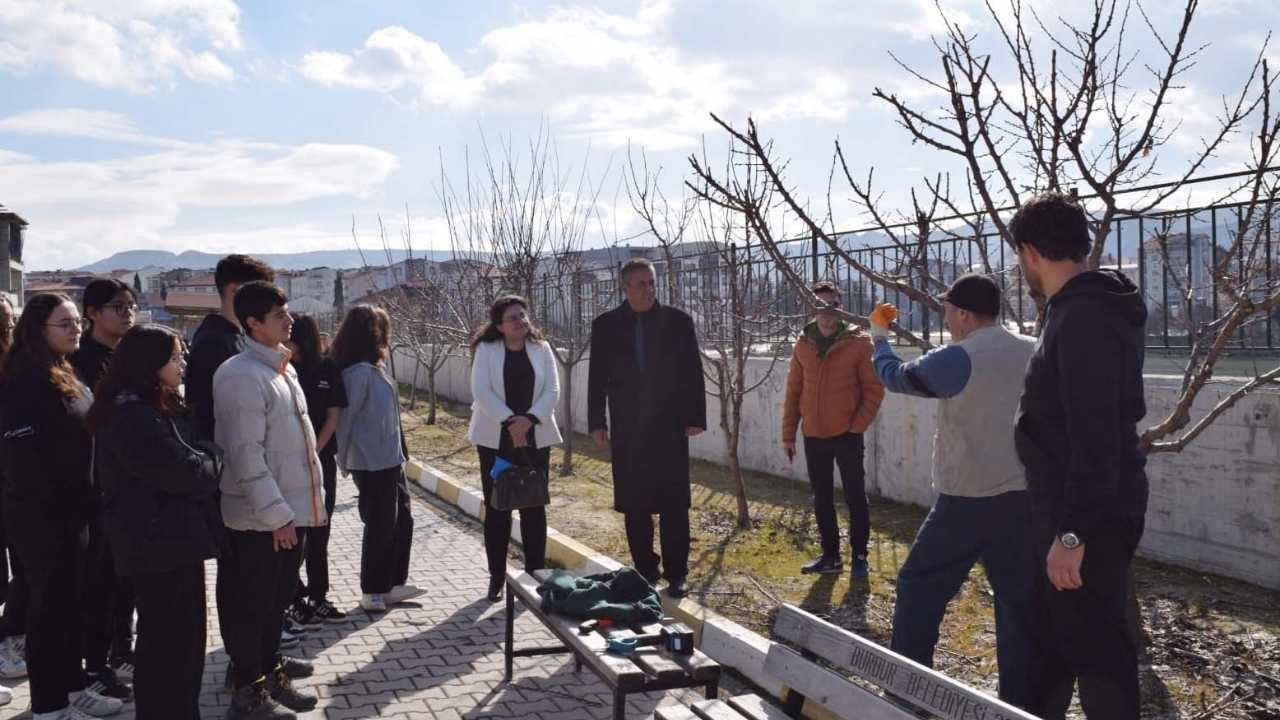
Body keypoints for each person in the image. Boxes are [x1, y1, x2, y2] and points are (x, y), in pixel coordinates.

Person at [868, 274, 1037, 708]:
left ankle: (906, 694)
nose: (945, 316)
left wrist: (879, 336)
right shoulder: (1033, 349)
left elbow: (896, 377)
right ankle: (1017, 705)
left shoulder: (959, 358)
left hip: (966, 500)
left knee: (918, 587)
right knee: (1018, 606)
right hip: (1023, 498)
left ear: (963, 314)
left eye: (948, 310)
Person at [1010, 192, 1149, 719]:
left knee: (1098, 656)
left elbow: (1096, 440)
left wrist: (1072, 536)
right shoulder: (1084, 307)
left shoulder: (1083, 317)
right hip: (1074, 513)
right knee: (1053, 643)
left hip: (1087, 521)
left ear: (1029, 252)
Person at [89, 324, 223, 720]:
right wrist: (213, 459)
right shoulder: (132, 416)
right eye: (175, 357)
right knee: (168, 648)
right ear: (150, 364)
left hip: (174, 544)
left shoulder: (156, 406)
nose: (183, 363)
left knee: (185, 644)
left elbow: (195, 456)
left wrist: (206, 459)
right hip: (156, 548)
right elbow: (186, 472)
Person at [0, 293, 123, 719]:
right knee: (49, 613)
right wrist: (57, 509)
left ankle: (73, 690)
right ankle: (50, 706)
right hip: (43, 519)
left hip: (79, 513)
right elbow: (22, 461)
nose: (75, 330)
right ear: (38, 329)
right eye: (65, 323)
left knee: (73, 607)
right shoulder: (23, 379)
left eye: (75, 322)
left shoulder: (62, 369)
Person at [213, 282, 325, 719]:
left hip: (285, 516)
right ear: (253, 323)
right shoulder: (240, 375)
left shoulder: (280, 369)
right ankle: (248, 691)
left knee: (274, 604)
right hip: (259, 520)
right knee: (252, 608)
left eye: (287, 312)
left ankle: (268, 670)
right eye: (279, 314)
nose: (289, 319)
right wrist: (278, 516)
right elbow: (245, 455)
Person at [587, 258, 706, 599]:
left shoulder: (677, 322)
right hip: (628, 427)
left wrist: (695, 415)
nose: (647, 288)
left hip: (669, 425)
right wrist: (597, 421)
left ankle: (677, 573)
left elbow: (692, 371)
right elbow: (597, 378)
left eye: (651, 282)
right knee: (635, 502)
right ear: (625, 287)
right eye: (639, 283)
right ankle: (645, 570)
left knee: (673, 503)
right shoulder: (606, 325)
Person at [780, 281, 884, 578]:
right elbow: (794, 391)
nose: (825, 314)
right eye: (819, 307)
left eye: (831, 306)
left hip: (847, 433)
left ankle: (860, 557)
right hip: (813, 433)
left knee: (855, 496)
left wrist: (857, 426)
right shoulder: (803, 343)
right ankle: (830, 556)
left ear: (840, 308)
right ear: (812, 310)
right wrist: (789, 434)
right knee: (821, 496)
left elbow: (873, 389)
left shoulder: (860, 342)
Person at [467, 296, 562, 603]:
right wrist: (510, 422)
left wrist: (529, 420)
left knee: (534, 506)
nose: (521, 321)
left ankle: (536, 574)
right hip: (496, 440)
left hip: (535, 437)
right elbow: (481, 391)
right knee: (498, 508)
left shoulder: (542, 348)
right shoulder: (487, 350)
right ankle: (497, 575)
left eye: (523, 315)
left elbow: (552, 390)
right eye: (513, 317)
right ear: (499, 326)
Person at [70, 279, 137, 701]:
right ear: (92, 313)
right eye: (117, 306)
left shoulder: (131, 357)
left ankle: (121, 652)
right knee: (99, 586)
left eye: (130, 305)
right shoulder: (78, 362)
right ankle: (94, 666)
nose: (127, 312)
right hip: (95, 492)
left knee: (126, 582)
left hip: (132, 490)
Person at [333, 306, 422, 613]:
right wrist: (342, 461)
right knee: (380, 524)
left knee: (403, 521)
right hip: (370, 462)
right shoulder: (357, 374)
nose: (387, 336)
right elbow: (344, 422)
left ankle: (392, 583)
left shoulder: (376, 369)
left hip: (391, 460)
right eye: (383, 330)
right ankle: (372, 589)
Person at [283, 314, 348, 627]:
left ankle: (319, 597)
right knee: (293, 534)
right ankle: (293, 599)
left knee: (320, 532)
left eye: (291, 336)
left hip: (320, 461)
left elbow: (334, 414)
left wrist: (314, 449)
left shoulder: (327, 368)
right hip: (287, 463)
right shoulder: (280, 369)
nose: (286, 343)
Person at [186, 255, 275, 443]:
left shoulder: (235, 337)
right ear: (234, 291)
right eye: (260, 296)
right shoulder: (214, 343)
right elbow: (209, 412)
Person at [0, 295, 27, 685]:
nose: (6, 328)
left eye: (8, 321)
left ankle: (11, 638)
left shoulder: (19, 367)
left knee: (24, 570)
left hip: (18, 487)